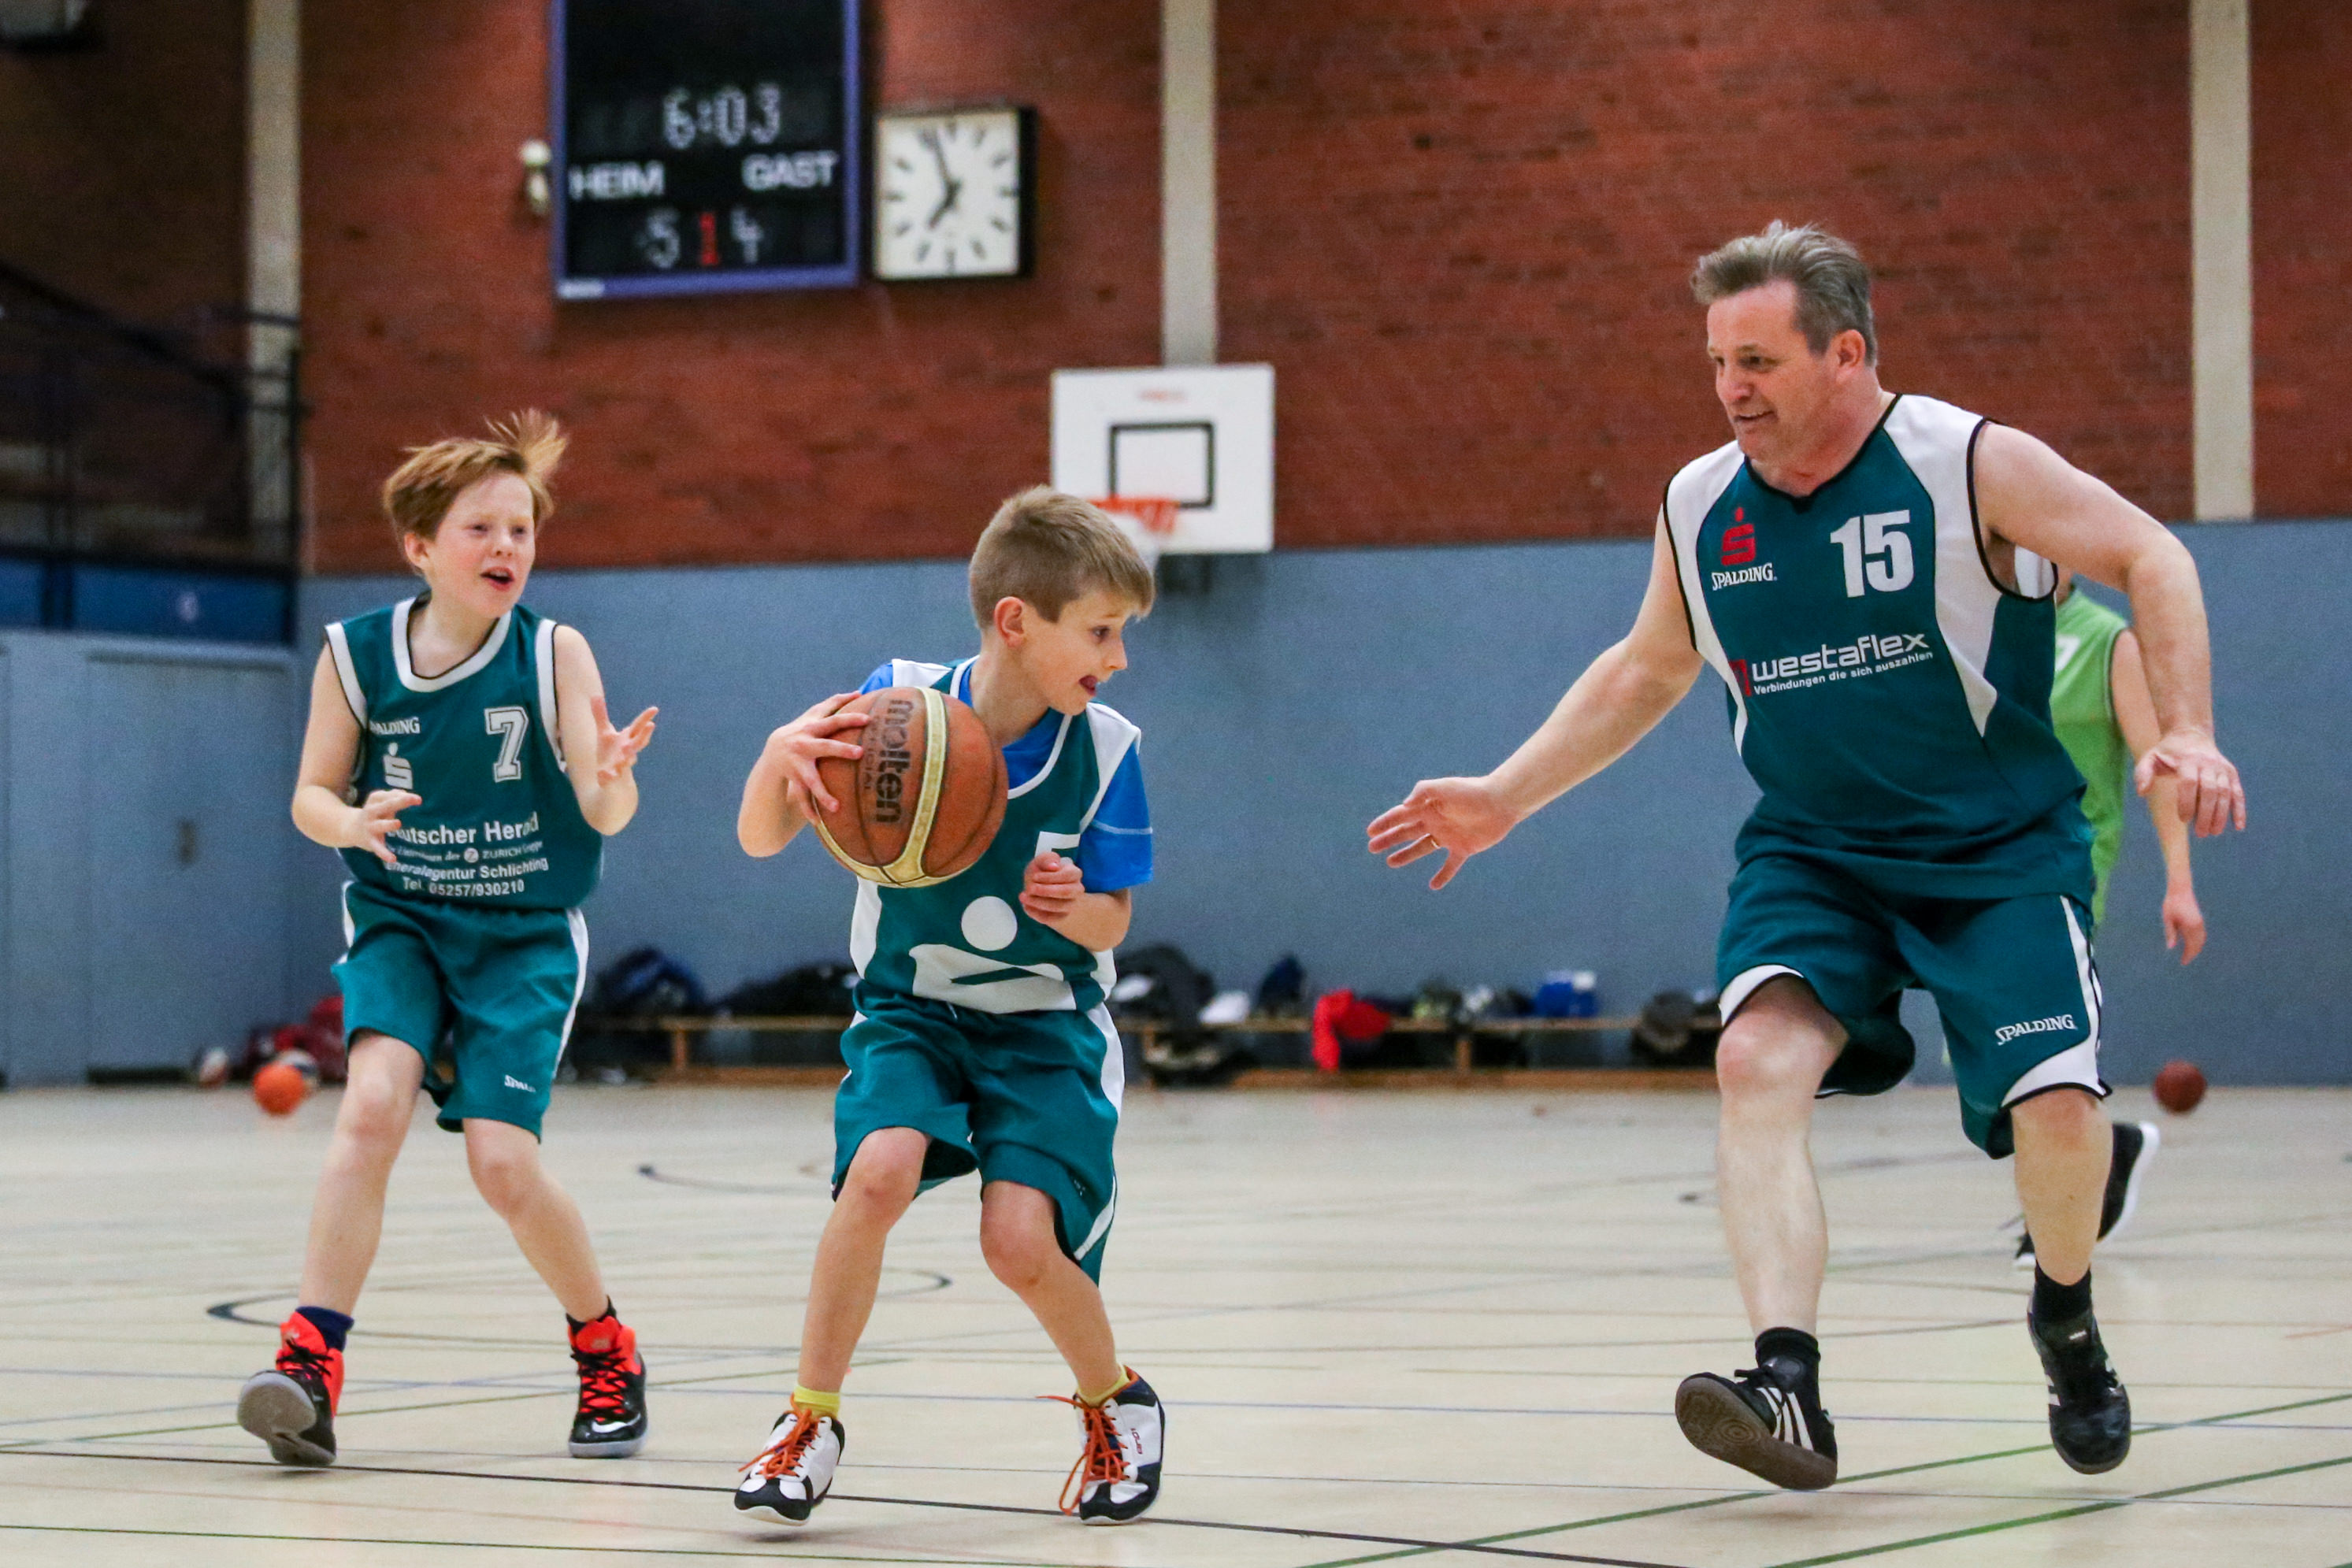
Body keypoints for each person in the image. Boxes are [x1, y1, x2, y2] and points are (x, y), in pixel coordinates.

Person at [1368, 223, 2245, 1488]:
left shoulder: (1965, 461)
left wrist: (2192, 729)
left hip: (1996, 847)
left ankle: (2063, 1313)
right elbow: (1645, 667)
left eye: (1758, 360)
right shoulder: (1697, 502)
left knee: (2057, 1109)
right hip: (1816, 850)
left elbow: (2151, 554)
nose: (1731, 388)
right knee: (1752, 1058)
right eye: (1717, 362)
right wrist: (1509, 793)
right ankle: (1786, 1384)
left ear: (1845, 353)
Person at [730, 487, 1165, 1527]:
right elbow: (760, 836)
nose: (1117, 657)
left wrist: (1076, 909)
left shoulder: (1107, 748)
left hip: (1045, 1024)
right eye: (1099, 631)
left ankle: (1117, 1398)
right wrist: (778, 756)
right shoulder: (891, 706)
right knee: (877, 1172)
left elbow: (1114, 919)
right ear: (1017, 620)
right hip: (911, 1008)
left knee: (1016, 1241)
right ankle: (809, 1418)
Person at [238, 413, 659, 1467]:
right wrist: (349, 822)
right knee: (370, 1105)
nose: (507, 546)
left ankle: (605, 1346)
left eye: (521, 528)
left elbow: (605, 811)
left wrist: (611, 779)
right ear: (421, 547)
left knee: (503, 1164)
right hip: (406, 918)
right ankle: (308, 1366)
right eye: (482, 528)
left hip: (521, 933)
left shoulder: (554, 651)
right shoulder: (355, 653)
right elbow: (309, 794)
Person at [2012, 572, 2210, 1268]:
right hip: (1981, 854)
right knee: (1991, 1052)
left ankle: (2070, 1198)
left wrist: (2180, 882)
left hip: (2067, 859)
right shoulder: (1985, 620)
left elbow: (2157, 765)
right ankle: (2102, 1152)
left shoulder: (2107, 641)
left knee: (2030, 1032)